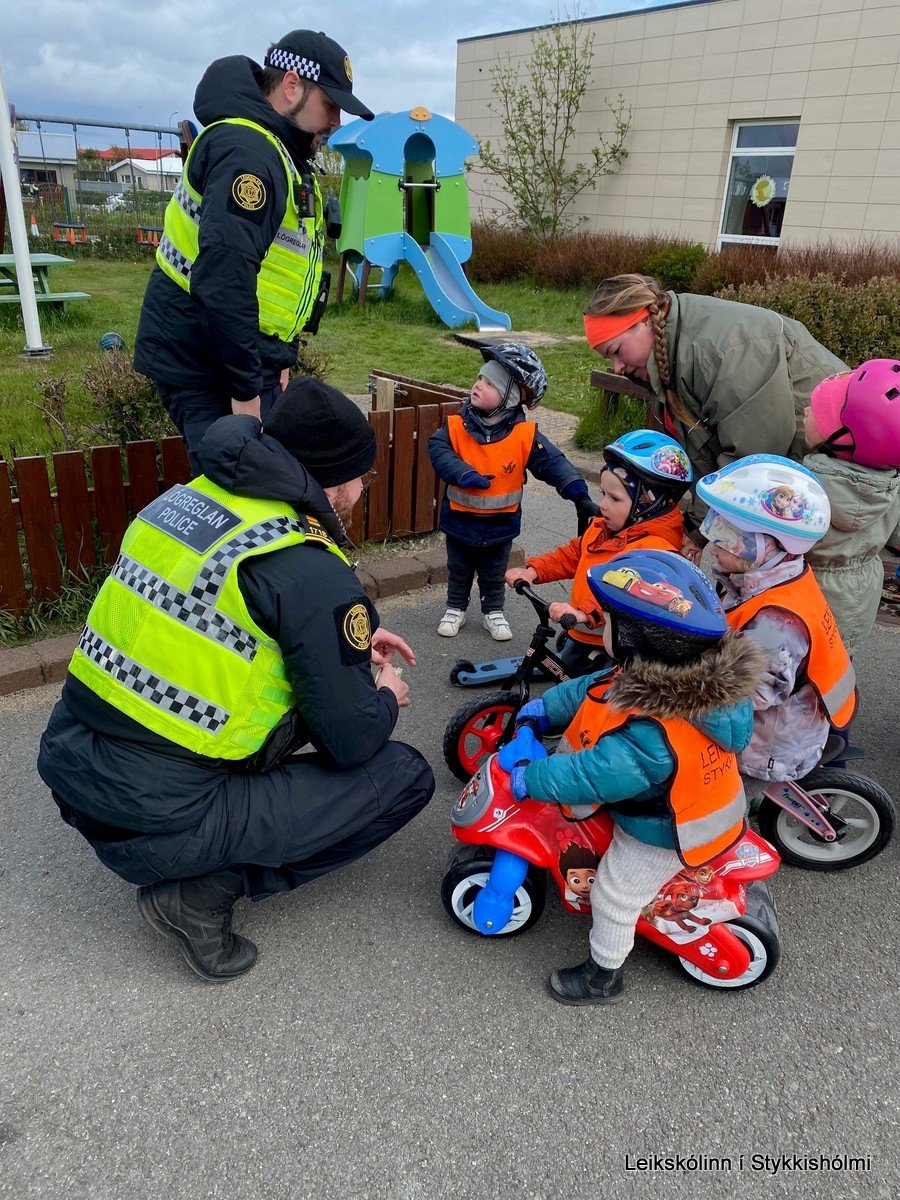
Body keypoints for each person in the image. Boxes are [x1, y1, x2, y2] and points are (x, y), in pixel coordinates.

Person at [37, 378, 434, 982]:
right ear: (335, 482)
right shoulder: (305, 561)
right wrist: (382, 696)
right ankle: (198, 893)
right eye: (364, 478)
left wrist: (338, 647)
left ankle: (196, 853)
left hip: (74, 772)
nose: (360, 491)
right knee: (403, 775)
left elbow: (202, 629)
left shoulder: (186, 502)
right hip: (159, 820)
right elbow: (350, 740)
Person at [509, 550, 765, 1005]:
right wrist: (546, 709)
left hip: (670, 829)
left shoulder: (653, 730)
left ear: (635, 636)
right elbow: (597, 690)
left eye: (606, 619)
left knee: (613, 894)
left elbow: (595, 775)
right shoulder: (660, 674)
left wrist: (536, 776)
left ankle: (602, 976)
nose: (598, 625)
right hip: (677, 804)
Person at [134, 29, 374, 471]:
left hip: (235, 357)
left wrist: (277, 359)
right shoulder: (249, 154)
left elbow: (273, 274)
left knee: (251, 485)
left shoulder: (277, 151)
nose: (336, 121)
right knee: (235, 490)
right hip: (207, 362)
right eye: (331, 104)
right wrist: (246, 394)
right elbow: (224, 281)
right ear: (292, 86)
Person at [582, 273, 847, 559]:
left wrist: (698, 531)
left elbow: (750, 456)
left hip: (833, 475)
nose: (617, 367)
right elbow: (704, 446)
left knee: (809, 580)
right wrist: (695, 528)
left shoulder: (720, 349)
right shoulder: (672, 350)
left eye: (617, 351)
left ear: (644, 321)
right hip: (796, 481)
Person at [696, 455, 856, 791]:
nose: (713, 548)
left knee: (718, 799)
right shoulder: (774, 577)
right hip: (791, 723)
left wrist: (681, 687)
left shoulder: (776, 623)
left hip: (766, 750)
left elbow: (749, 694)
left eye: (725, 536)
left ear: (766, 546)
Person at [429, 343, 596, 641]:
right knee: (459, 569)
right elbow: (439, 451)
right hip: (460, 521)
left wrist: (578, 492)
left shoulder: (525, 435)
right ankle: (455, 607)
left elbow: (553, 463)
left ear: (510, 398)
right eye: (480, 378)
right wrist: (463, 473)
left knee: (494, 573)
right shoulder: (455, 426)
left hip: (499, 526)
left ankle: (493, 611)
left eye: (490, 383)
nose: (478, 385)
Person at [505, 430, 691, 675]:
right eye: (603, 494)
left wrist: (583, 612)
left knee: (579, 700)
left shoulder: (653, 550)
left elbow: (624, 590)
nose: (602, 504)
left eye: (614, 498)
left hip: (612, 648)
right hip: (582, 631)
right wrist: (534, 570)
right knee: (565, 677)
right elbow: (573, 554)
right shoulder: (602, 528)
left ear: (647, 504)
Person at [801, 360, 900, 655]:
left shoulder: (805, 486)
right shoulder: (892, 485)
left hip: (805, 601)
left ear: (842, 439)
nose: (806, 411)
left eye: (820, 411)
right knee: (832, 669)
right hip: (857, 607)